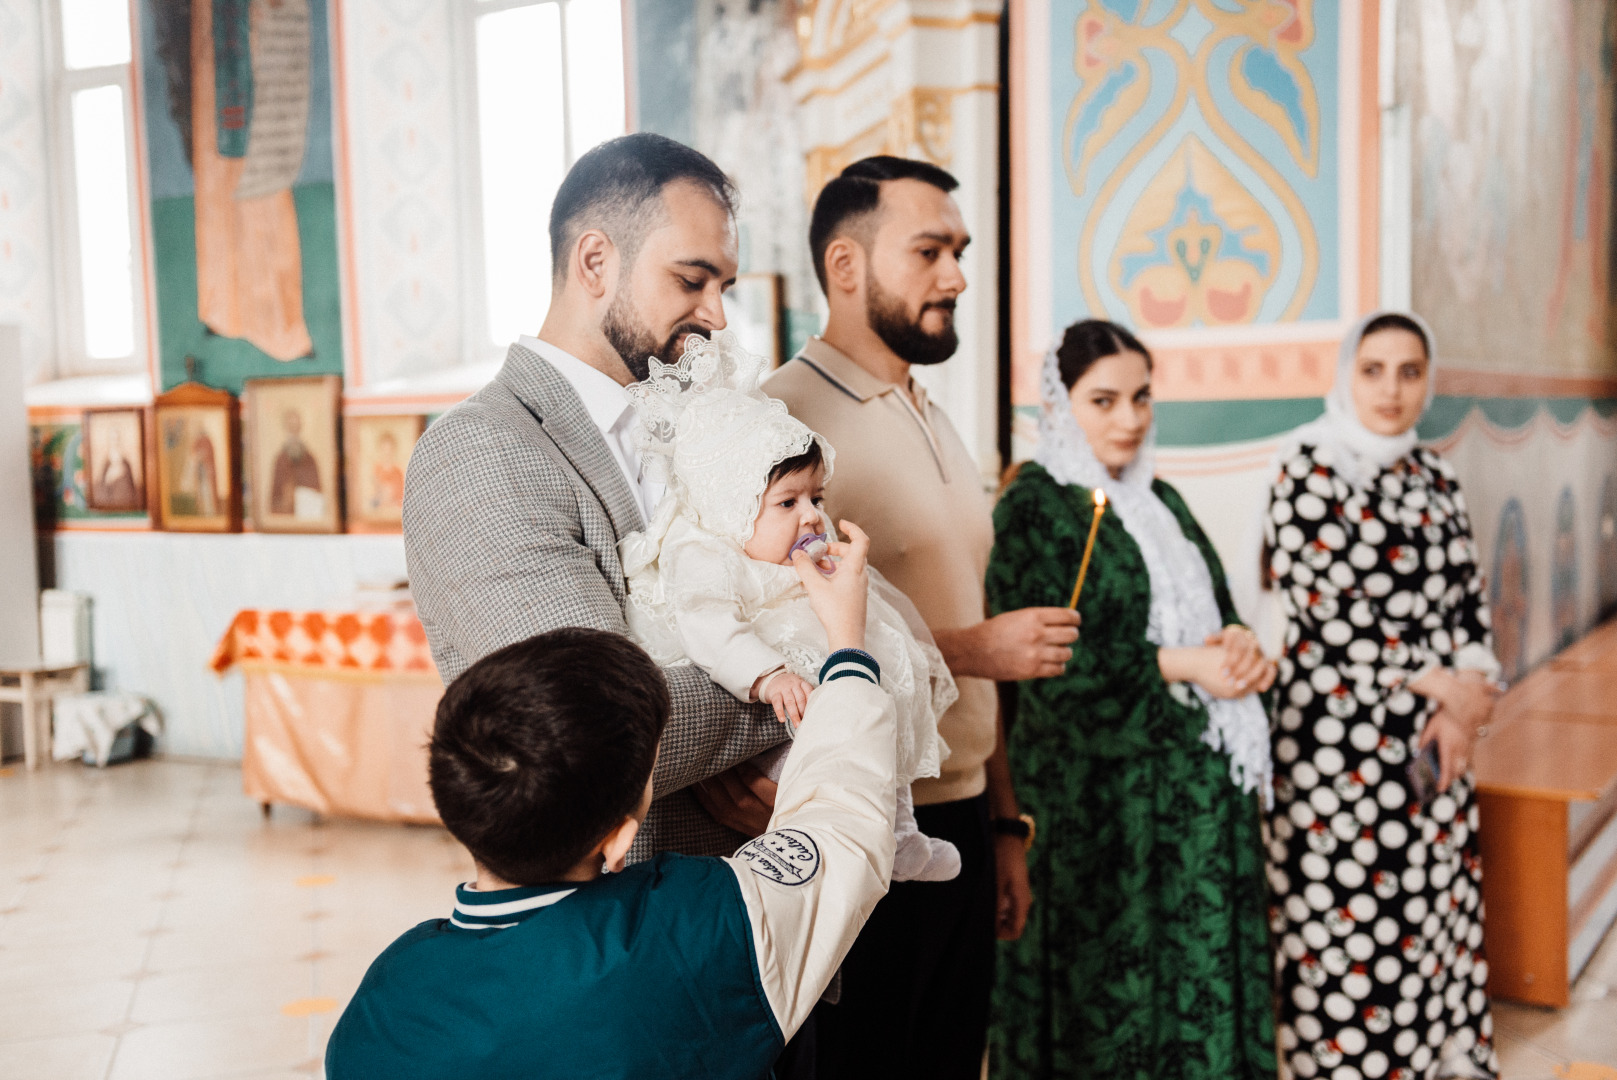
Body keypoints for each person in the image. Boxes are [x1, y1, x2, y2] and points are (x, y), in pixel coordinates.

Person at [326, 524, 900, 1078]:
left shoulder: (383, 1000)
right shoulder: (698, 928)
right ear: (620, 838)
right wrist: (847, 645)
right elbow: (842, 829)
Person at [765, 155, 1079, 1078]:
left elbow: (972, 637)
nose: (957, 277)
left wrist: (1004, 826)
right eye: (930, 251)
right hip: (866, 822)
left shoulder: (932, 413)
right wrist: (976, 649)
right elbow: (783, 637)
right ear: (846, 266)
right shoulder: (784, 419)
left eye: (961, 251)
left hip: (966, 811)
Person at [404, 133, 785, 863]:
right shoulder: (485, 451)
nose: (718, 315)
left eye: (723, 287)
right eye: (690, 280)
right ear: (594, 261)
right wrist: (821, 672)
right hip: (624, 927)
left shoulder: (696, 421)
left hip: (758, 911)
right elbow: (592, 743)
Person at [987, 319, 1278, 1079]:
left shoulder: (1161, 500)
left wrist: (1238, 640)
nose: (1129, 419)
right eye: (1104, 400)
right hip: (1102, 809)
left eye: (1142, 398)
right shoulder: (1037, 507)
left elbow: (1214, 603)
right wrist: (1186, 666)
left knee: (1196, 990)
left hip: (1194, 805)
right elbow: (1046, 666)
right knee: (1109, 998)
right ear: (1061, 406)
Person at [620, 332, 960, 882]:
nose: (811, 516)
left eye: (815, 498)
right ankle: (857, 830)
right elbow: (707, 624)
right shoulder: (704, 550)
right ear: (730, 504)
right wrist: (765, 675)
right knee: (827, 749)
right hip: (779, 675)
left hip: (819, 651)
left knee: (887, 690)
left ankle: (900, 831)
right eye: (788, 502)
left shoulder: (794, 549)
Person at [1260, 311, 1501, 1080]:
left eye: (1408, 371)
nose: (1390, 390)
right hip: (1335, 742)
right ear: (1346, 374)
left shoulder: (1435, 474)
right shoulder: (1306, 465)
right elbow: (1322, 607)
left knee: (1429, 907)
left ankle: (1429, 1060)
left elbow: (1467, 600)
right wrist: (1443, 687)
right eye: (1372, 370)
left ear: (1426, 381)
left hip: (1432, 737)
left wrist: (1467, 693)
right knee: (1347, 918)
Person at [269, 409, 322, 517]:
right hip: (285, 515)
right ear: (286, 428)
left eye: (296, 427)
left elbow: (317, 491)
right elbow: (274, 497)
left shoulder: (310, 459)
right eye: (291, 427)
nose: (294, 430)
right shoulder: (280, 460)